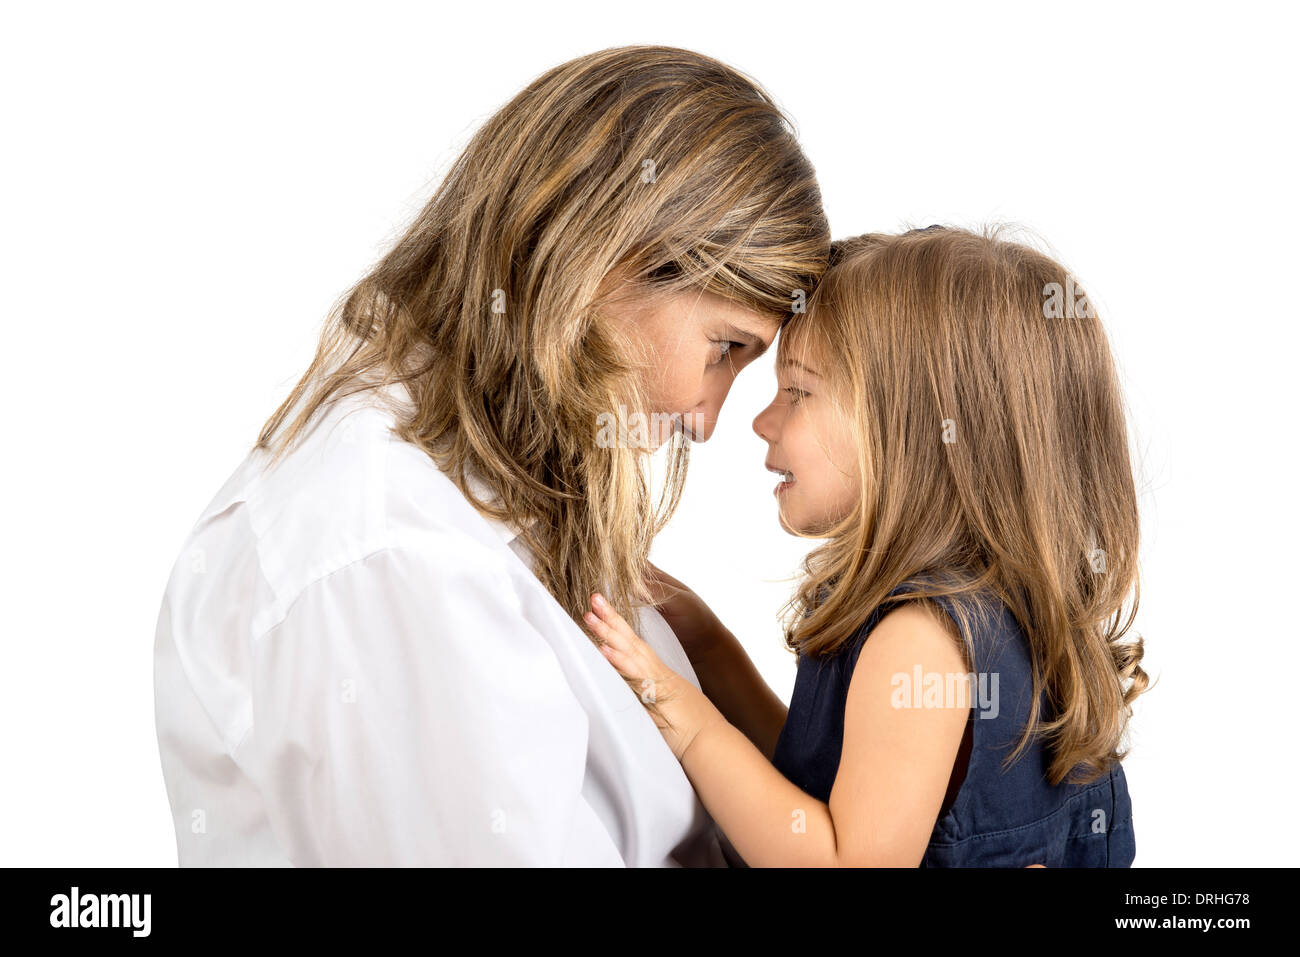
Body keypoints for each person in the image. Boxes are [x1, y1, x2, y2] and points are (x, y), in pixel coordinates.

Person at [152, 45, 830, 866]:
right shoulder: (394, 554)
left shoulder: (492, 498)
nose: (709, 419)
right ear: (601, 256)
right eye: (724, 346)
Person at [583, 226, 1149, 866]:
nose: (761, 421)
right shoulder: (998, 615)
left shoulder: (920, 641)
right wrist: (702, 640)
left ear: (915, 432)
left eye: (798, 392)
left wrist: (683, 717)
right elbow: (816, 789)